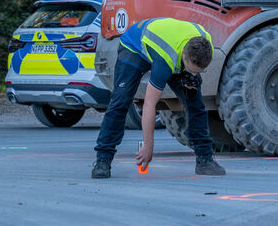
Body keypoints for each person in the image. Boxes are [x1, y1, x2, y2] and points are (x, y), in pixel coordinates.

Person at [91, 18, 226, 178]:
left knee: (196, 104)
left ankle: (205, 160)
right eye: (190, 69)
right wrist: (148, 147)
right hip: (134, 46)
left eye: (198, 71)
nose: (193, 75)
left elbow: (193, 68)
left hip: (171, 44)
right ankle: (103, 160)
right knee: (120, 102)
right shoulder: (166, 60)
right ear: (184, 54)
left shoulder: (205, 44)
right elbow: (149, 105)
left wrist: (191, 74)